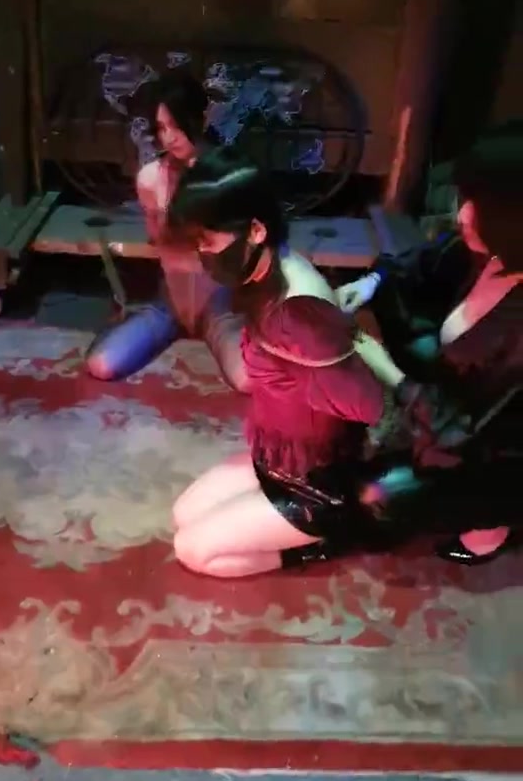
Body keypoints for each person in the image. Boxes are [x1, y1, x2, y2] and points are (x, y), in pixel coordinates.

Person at [165, 147, 458, 577]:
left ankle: (325, 542)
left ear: (256, 230)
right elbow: (340, 336)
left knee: (193, 550)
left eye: (206, 241)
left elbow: (369, 404)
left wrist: (328, 374)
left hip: (318, 485)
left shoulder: (295, 313)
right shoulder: (268, 269)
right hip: (277, 455)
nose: (201, 252)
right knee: (183, 514)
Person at [337, 137, 523, 563]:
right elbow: (416, 262)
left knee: (375, 500)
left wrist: (383, 365)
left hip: (493, 447)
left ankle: (491, 526)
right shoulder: (490, 251)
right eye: (466, 199)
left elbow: (466, 430)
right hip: (453, 401)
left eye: (481, 206)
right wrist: (370, 283)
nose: (462, 215)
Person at [85, 70, 249, 392]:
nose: (169, 138)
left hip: (218, 304)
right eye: (161, 128)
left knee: (247, 379)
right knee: (101, 365)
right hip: (171, 301)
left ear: (199, 119)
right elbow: (156, 241)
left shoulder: (229, 174)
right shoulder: (150, 179)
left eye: (177, 125)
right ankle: (136, 325)